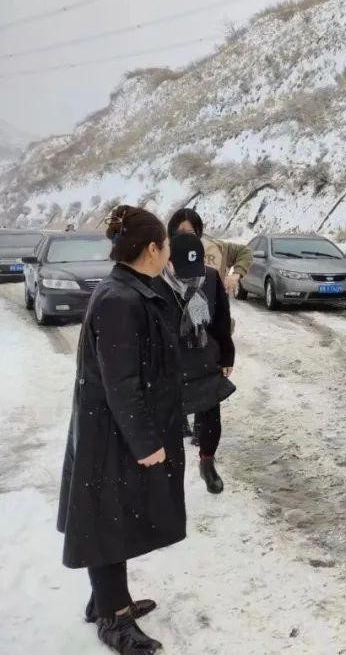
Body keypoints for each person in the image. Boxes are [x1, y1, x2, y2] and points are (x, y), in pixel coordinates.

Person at [57, 205, 183, 654]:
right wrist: (147, 442)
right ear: (152, 249)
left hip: (113, 427)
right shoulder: (118, 299)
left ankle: (109, 599)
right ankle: (114, 618)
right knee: (107, 519)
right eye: (166, 245)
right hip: (110, 430)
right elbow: (122, 381)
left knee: (113, 515)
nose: (170, 252)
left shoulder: (132, 290)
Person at [161, 233, 236, 494]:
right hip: (171, 362)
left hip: (205, 356)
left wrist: (227, 355)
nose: (190, 276)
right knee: (169, 421)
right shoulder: (155, 283)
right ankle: (168, 474)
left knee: (211, 414)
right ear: (168, 262)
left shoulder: (211, 278)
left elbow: (221, 322)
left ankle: (207, 463)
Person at [166, 208, 253, 296]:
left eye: (191, 233)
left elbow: (245, 251)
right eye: (180, 234)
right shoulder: (165, 252)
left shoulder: (217, 248)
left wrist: (236, 275)